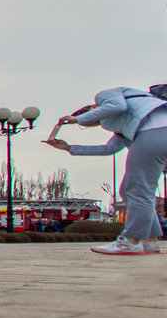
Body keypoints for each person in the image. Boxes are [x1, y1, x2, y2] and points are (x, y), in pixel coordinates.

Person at [46, 86, 167, 255]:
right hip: (156, 134)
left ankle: (131, 241)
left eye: (88, 120)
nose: (91, 124)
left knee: (138, 191)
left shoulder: (105, 96)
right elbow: (108, 149)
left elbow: (117, 106)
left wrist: (75, 120)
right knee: (129, 190)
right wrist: (69, 148)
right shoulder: (127, 120)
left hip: (153, 133)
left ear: (95, 109)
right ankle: (150, 239)